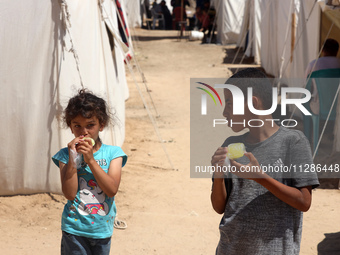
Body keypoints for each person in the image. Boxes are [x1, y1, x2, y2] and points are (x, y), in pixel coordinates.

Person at [210, 68, 319, 254]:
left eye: (229, 103)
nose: (224, 113)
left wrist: (261, 178)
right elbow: (219, 207)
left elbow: (304, 202)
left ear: (253, 103)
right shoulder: (231, 145)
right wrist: (218, 175)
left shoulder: (293, 141)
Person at [52, 89, 127, 255]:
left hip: (102, 230)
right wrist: (74, 159)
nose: (83, 132)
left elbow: (111, 189)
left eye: (90, 125)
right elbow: (70, 194)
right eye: (77, 126)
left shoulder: (114, 154)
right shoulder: (65, 155)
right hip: (74, 229)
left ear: (102, 125)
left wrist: (91, 160)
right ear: (70, 127)